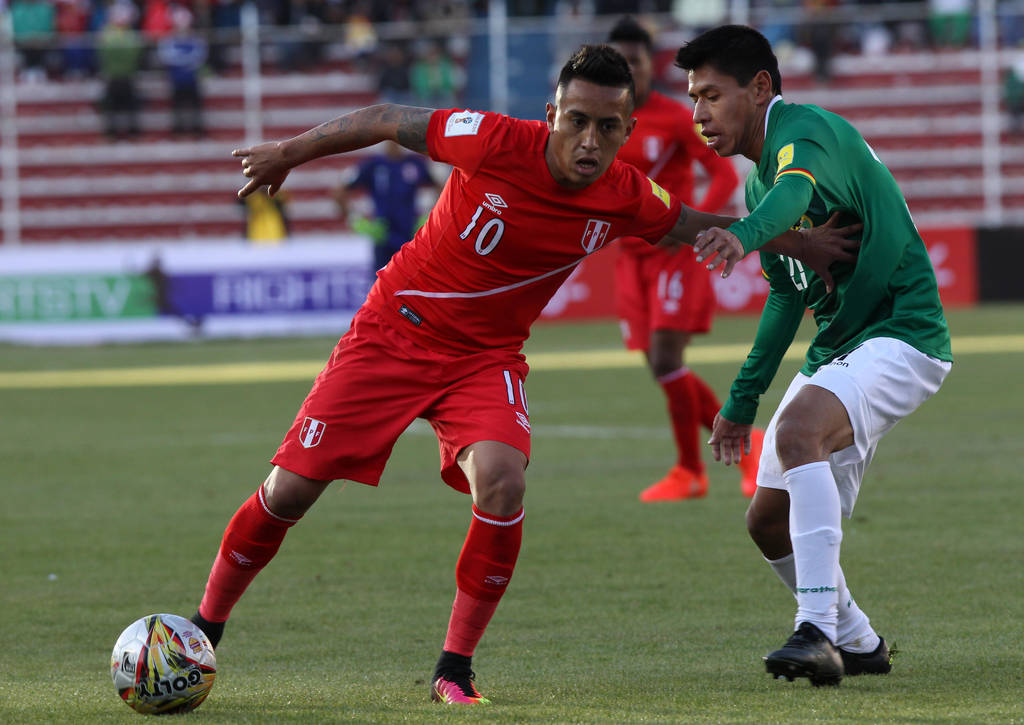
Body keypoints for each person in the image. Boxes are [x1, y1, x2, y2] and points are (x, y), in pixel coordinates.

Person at [188, 44, 858, 706]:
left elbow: (692, 222)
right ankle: (202, 629)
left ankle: (454, 669)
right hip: (393, 333)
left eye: (607, 127)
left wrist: (801, 242)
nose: (589, 140)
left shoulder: (625, 194)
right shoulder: (491, 140)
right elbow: (385, 118)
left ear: (628, 130)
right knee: (289, 492)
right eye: (577, 121)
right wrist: (288, 153)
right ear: (551, 114)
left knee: (504, 483)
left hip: (485, 358)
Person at [677, 25, 952, 686]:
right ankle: (859, 641)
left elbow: (796, 193)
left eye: (711, 95)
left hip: (902, 331)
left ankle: (816, 631)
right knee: (766, 521)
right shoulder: (757, 185)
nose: (699, 114)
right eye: (693, 99)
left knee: (800, 432)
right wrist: (741, 400)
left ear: (760, 88)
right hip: (841, 346)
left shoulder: (805, 133)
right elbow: (785, 297)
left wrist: (744, 235)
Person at [606, 16, 749, 502]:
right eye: (620, 62)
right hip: (630, 259)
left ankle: (691, 469)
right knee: (662, 368)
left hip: (672, 256)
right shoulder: (607, 122)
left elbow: (723, 174)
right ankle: (745, 449)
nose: (629, 70)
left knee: (668, 358)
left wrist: (698, 227)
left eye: (636, 60)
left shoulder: (675, 117)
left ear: (651, 64)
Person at [333, 140, 441, 275]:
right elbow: (339, 193)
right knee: (383, 280)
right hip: (383, 235)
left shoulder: (415, 163)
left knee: (413, 278)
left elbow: (442, 188)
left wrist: (430, 216)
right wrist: (355, 221)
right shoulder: (372, 165)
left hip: (411, 234)